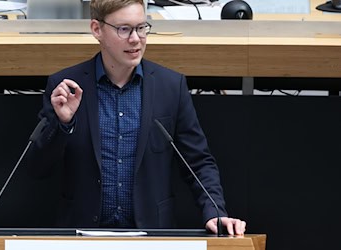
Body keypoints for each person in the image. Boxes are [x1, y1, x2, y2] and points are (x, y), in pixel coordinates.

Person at [28, 0, 246, 235]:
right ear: (97, 29)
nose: (135, 39)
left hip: (151, 234)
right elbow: (38, 168)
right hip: (83, 234)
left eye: (141, 28)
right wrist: (62, 124)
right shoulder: (66, 86)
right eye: (124, 29)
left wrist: (215, 212)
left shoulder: (170, 87)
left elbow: (198, 162)